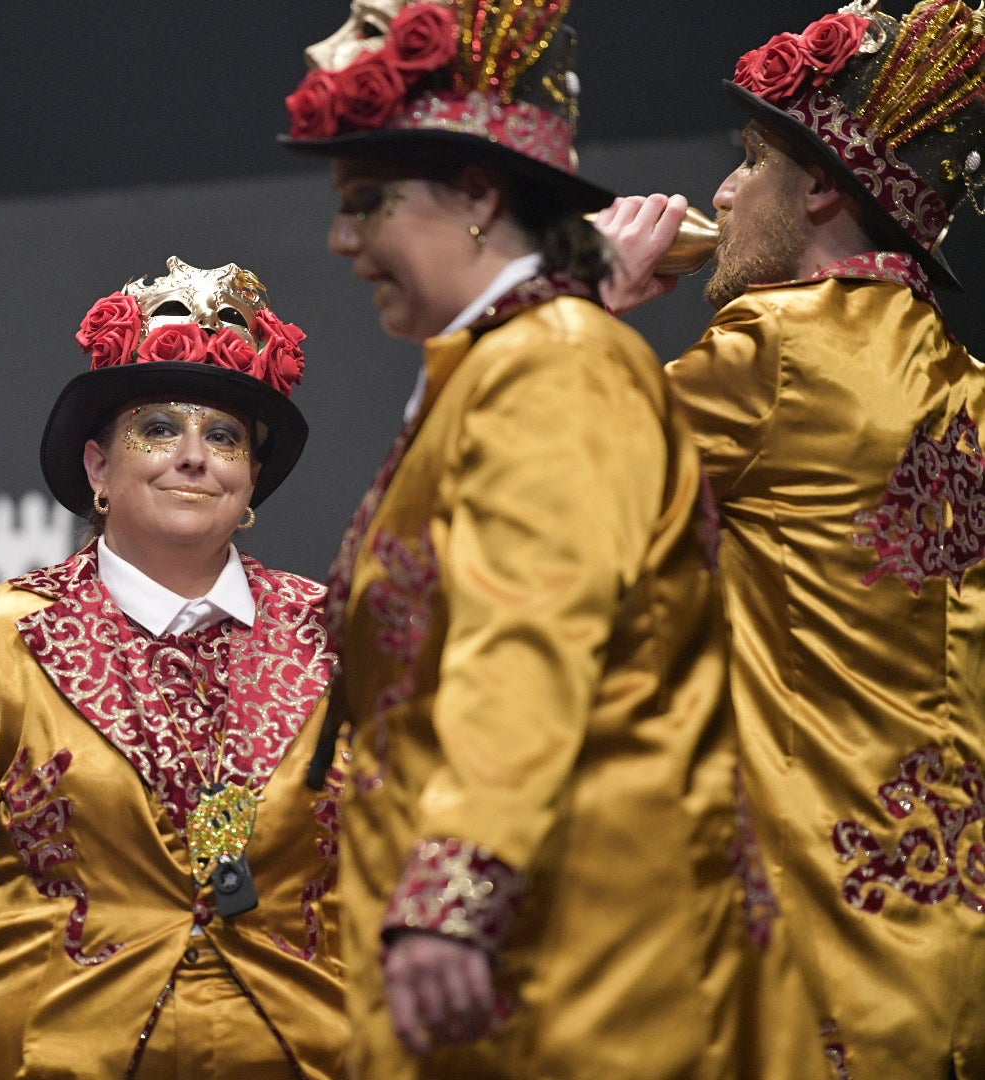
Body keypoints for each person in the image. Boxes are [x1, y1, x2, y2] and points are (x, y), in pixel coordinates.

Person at [280, 2, 745, 1077]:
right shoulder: (498, 363)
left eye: (367, 203)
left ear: (481, 192)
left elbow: (530, 631)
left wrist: (457, 881)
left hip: (570, 976)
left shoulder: (556, 362)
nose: (342, 243)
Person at [595, 3, 985, 1076]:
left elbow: (535, 488)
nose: (721, 195)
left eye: (752, 163)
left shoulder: (779, 346)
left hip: (811, 946)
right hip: (948, 958)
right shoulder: (967, 389)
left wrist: (592, 301)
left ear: (821, 189)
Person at [0, 257, 345, 1080]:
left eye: (224, 437)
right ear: (97, 469)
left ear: (252, 479)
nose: (194, 456)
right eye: (158, 430)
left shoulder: (337, 637)